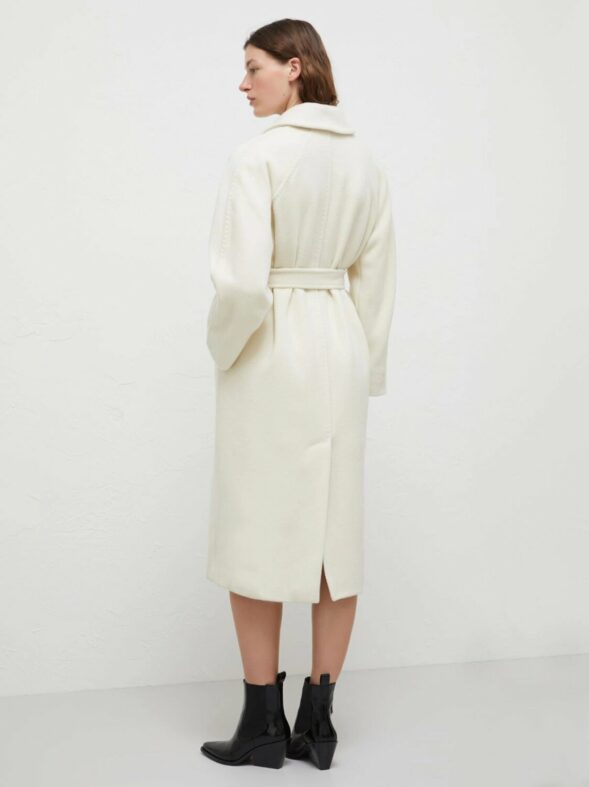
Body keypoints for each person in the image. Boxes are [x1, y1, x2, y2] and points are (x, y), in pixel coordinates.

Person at [200, 18, 397, 770]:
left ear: (294, 67)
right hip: (340, 339)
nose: (242, 83)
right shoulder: (366, 163)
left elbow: (241, 287)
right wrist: (366, 365)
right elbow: (377, 281)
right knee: (332, 536)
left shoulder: (258, 157)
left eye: (253, 67)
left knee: (256, 525)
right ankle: (319, 724)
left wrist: (223, 349)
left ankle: (261, 724)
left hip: (273, 347)